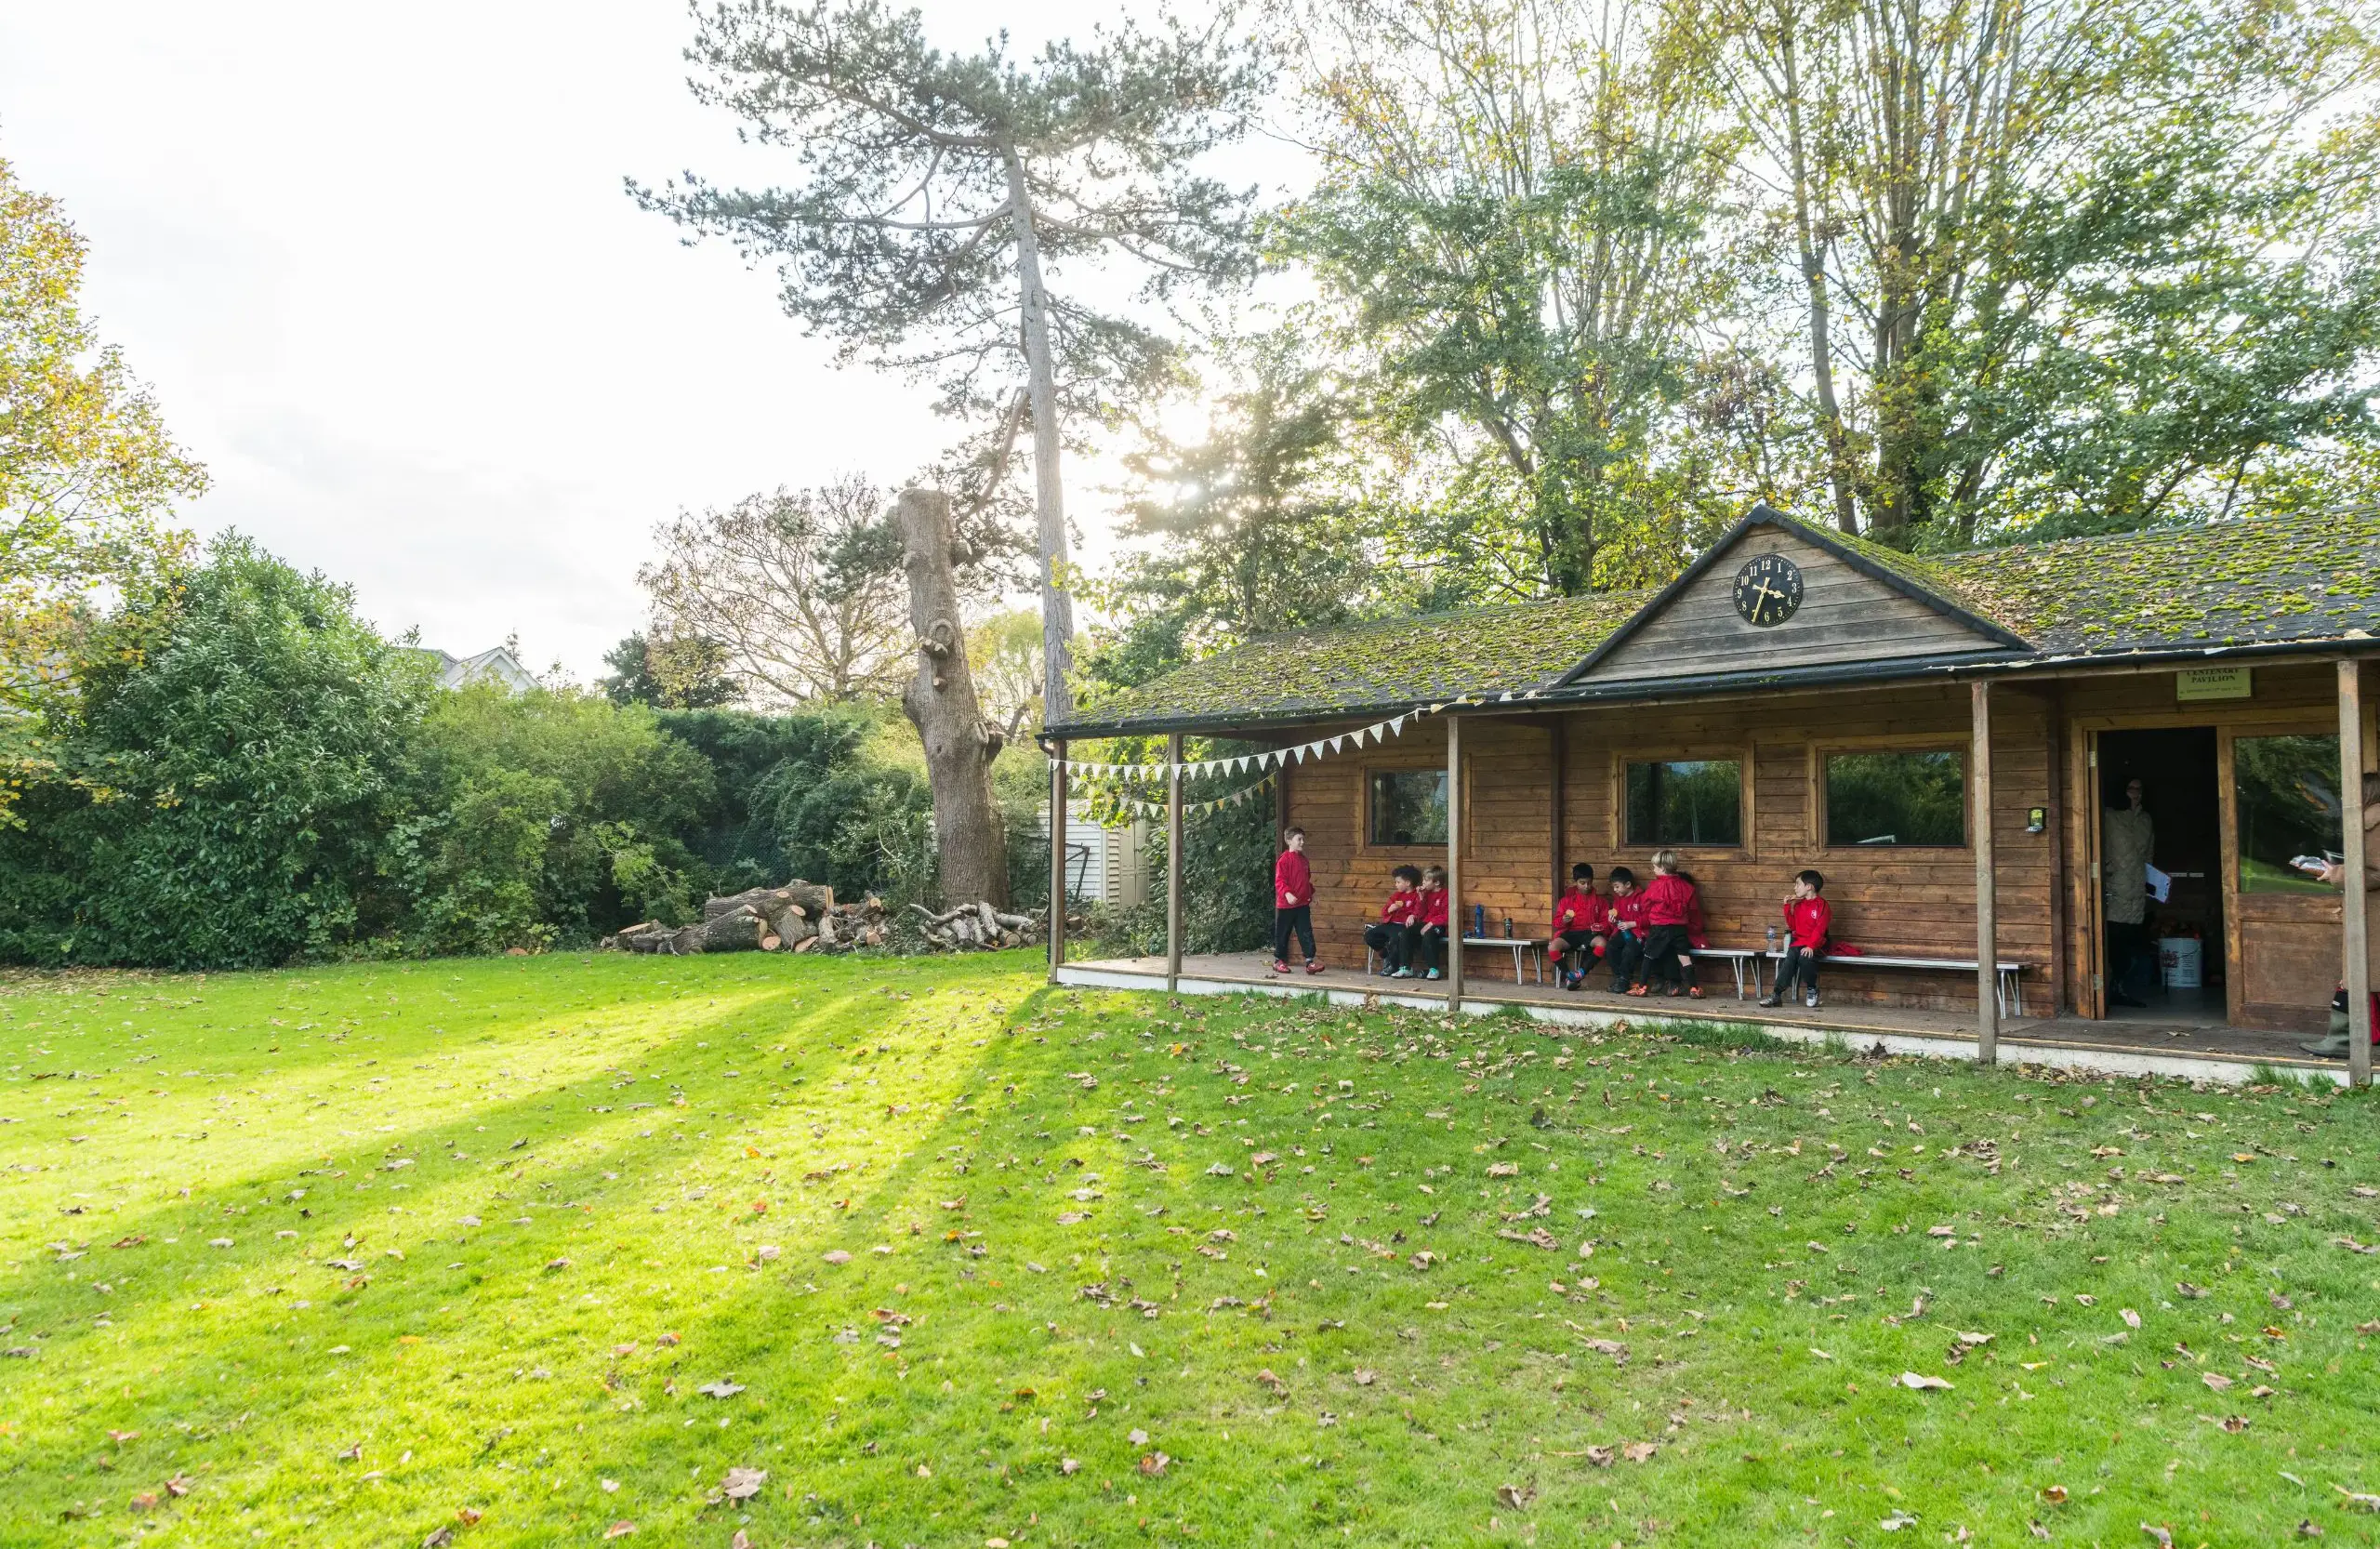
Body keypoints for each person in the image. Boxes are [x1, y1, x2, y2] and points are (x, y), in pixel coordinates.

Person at [2305, 772, 2380, 1056]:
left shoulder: (2374, 823)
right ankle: (2342, 1040)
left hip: (2372, 916)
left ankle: (2342, 1041)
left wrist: (2333, 873)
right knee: (2361, 977)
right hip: (2369, 913)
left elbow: (2374, 871)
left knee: (2359, 976)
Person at [2101, 775, 2156, 1007]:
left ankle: (2120, 988)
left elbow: (2149, 854)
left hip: (2136, 889)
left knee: (2132, 940)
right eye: (2131, 788)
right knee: (2114, 940)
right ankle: (2110, 990)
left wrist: (2150, 885)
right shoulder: (2109, 816)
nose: (2136, 792)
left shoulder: (2146, 820)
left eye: (2139, 789)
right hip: (2114, 888)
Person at [1630, 850, 1708, 998]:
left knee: (1649, 955)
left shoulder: (1655, 886)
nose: (1653, 869)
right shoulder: (1686, 887)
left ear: (1663, 868)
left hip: (1660, 927)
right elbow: (1692, 908)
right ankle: (1694, 988)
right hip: (1680, 928)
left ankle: (1641, 987)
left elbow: (1645, 904)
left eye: (1655, 866)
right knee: (1684, 957)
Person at [1760, 869, 1831, 1009]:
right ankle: (1776, 995)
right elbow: (1793, 926)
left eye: (1798, 884)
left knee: (1805, 957)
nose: (1795, 887)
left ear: (1809, 886)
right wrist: (1787, 906)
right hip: (1799, 942)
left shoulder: (1822, 905)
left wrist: (1811, 946)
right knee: (1790, 958)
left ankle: (1812, 990)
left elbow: (1820, 929)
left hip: (1817, 943)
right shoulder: (1798, 904)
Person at [1551, 863, 1610, 991]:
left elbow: (1606, 923)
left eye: (1589, 882)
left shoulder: (1601, 901)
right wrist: (1563, 920)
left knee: (1602, 943)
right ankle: (1568, 976)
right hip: (1571, 932)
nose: (1586, 886)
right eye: (1582, 883)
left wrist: (1600, 927)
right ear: (1575, 882)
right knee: (1552, 947)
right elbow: (1556, 922)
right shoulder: (1566, 900)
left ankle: (1580, 973)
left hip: (1590, 933)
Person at [1271, 827, 1322, 975]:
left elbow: (1306, 881)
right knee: (1283, 933)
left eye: (1303, 839)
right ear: (1289, 841)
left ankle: (1310, 962)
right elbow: (1280, 881)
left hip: (1302, 905)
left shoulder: (1304, 860)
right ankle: (1279, 960)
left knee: (1306, 932)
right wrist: (1287, 893)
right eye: (1299, 839)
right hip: (1286, 905)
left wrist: (1312, 894)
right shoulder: (1284, 860)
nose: (1302, 842)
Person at [1366, 865, 1423, 977]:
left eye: (1398, 882)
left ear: (1407, 883)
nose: (1395, 884)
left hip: (1403, 926)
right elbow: (1384, 911)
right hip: (1390, 924)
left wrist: (1412, 915)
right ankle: (1386, 956)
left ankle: (1394, 966)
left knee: (1395, 940)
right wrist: (1389, 909)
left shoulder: (1416, 895)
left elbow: (1420, 911)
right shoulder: (1396, 895)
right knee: (1369, 935)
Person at [1603, 867, 1646, 994]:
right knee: (1610, 947)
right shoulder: (1618, 900)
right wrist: (1613, 920)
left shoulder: (1641, 897)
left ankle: (1624, 979)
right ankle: (1620, 979)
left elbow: (1649, 918)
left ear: (1628, 884)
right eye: (1613, 887)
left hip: (1639, 933)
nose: (1615, 890)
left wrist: (1632, 924)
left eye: (1617, 886)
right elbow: (1618, 920)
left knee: (1629, 950)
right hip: (1622, 933)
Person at [1411, 864, 1451, 980]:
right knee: (1406, 933)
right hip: (1426, 923)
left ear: (1437, 882)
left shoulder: (1446, 894)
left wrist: (1431, 923)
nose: (1423, 882)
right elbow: (1420, 915)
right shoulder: (1426, 894)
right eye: (1423, 879)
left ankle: (1434, 969)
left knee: (1429, 935)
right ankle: (1405, 967)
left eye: (1426, 880)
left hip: (1441, 926)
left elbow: (1447, 916)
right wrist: (1421, 897)